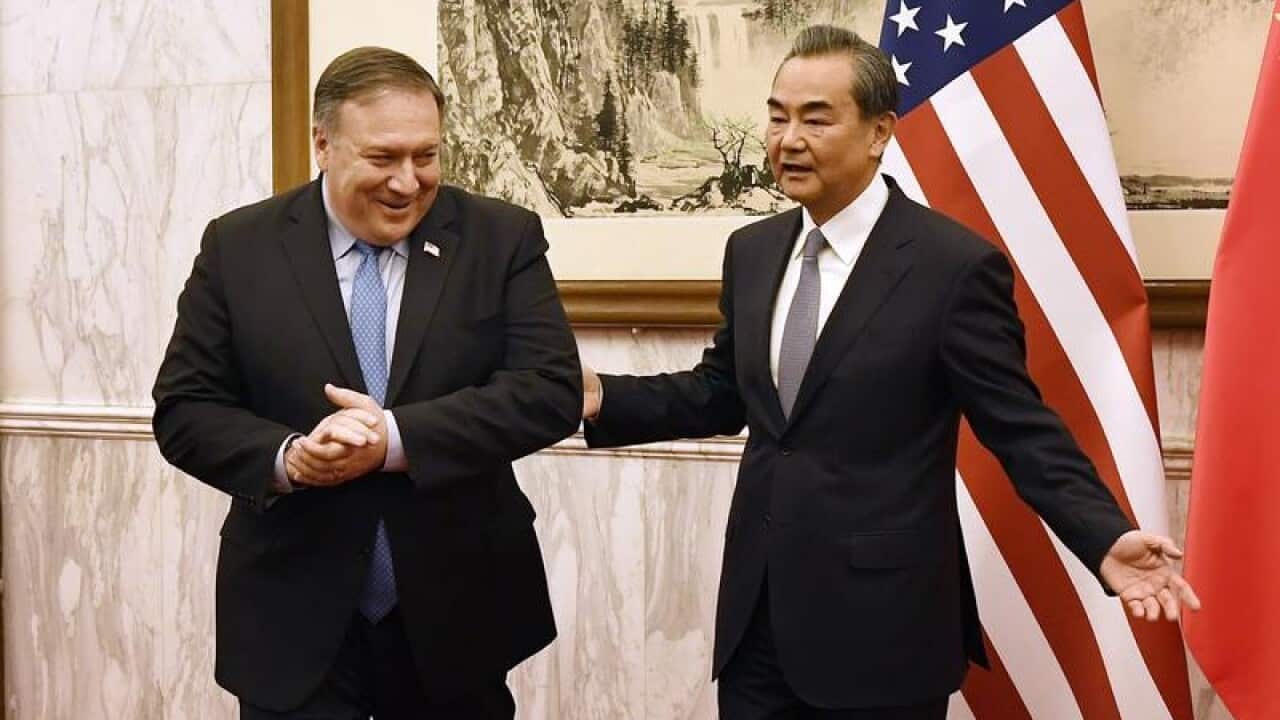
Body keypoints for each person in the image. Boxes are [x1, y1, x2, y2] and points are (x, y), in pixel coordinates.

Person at [581, 26, 1199, 720]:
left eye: (816, 119)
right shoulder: (752, 251)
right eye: (778, 117)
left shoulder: (952, 267)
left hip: (884, 632)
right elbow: (724, 393)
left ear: (879, 132)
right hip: (759, 625)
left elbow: (1022, 430)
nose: (788, 140)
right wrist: (603, 396)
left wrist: (1103, 536)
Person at [153, 46, 581, 719]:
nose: (407, 182)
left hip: (457, 614)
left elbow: (550, 390)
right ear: (323, 144)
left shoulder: (500, 238)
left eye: (426, 156)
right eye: (383, 158)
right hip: (291, 619)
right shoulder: (239, 247)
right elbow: (185, 409)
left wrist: (394, 439)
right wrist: (290, 458)